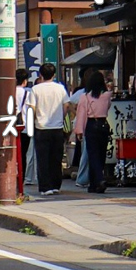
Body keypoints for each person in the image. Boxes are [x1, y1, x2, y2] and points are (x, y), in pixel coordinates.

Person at [26, 62, 69, 195]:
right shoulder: (60, 88)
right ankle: (56, 185)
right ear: (54, 74)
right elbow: (66, 105)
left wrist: (34, 120)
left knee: (42, 158)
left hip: (41, 127)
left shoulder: (35, 89)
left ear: (40, 74)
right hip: (57, 127)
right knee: (56, 158)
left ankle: (45, 187)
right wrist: (61, 117)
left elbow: (32, 108)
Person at [74, 71, 113, 194]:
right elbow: (108, 107)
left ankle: (99, 180)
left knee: (93, 154)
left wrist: (79, 131)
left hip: (91, 125)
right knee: (101, 154)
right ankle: (94, 184)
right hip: (104, 125)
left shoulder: (85, 97)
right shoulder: (107, 95)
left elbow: (81, 115)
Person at [68, 67, 96, 190]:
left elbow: (70, 103)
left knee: (85, 153)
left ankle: (84, 178)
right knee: (88, 153)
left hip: (85, 125)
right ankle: (87, 178)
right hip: (96, 125)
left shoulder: (82, 94)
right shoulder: (104, 94)